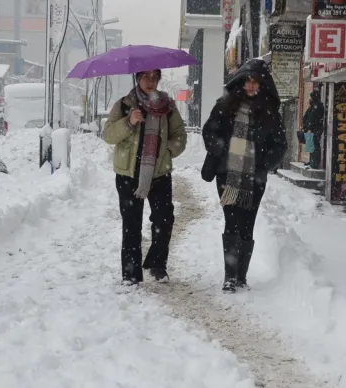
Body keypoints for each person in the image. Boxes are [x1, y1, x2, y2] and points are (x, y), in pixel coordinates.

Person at [202, 59, 287, 293]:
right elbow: (209, 132)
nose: (251, 86)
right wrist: (222, 149)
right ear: (241, 82)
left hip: (254, 178)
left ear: (262, 85)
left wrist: (263, 163)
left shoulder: (270, 113)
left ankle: (241, 276)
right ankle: (230, 277)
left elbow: (280, 145)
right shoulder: (224, 105)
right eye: (248, 81)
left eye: (256, 82)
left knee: (247, 224)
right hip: (226, 175)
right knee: (232, 222)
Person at [102, 69, 188, 285]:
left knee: (164, 220)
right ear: (137, 78)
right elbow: (108, 135)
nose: (150, 81)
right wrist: (129, 122)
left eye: (154, 77)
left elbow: (180, 136)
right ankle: (131, 274)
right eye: (146, 77)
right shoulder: (124, 105)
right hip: (128, 175)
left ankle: (157, 265)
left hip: (158, 174)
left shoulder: (167, 106)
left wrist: (167, 152)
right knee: (131, 225)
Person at [302, 89, 325, 170]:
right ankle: (311, 161)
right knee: (311, 146)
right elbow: (307, 116)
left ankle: (314, 163)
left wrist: (310, 128)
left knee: (315, 145)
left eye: (311, 97)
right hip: (310, 128)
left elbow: (313, 118)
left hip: (314, 129)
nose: (310, 99)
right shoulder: (313, 105)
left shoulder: (317, 105)